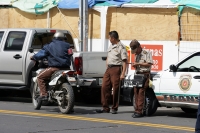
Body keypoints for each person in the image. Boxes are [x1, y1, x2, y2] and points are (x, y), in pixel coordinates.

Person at [31, 31, 72, 100]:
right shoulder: (68, 46)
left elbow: (40, 54)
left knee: (39, 77)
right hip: (67, 68)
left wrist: (33, 57)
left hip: (54, 68)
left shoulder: (49, 46)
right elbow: (70, 54)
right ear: (63, 38)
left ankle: (44, 94)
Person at [96, 31, 127, 114]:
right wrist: (107, 64)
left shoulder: (121, 47)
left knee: (115, 88)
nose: (109, 39)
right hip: (109, 69)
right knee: (104, 87)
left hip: (116, 68)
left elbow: (124, 61)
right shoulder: (111, 45)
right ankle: (105, 107)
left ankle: (114, 107)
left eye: (110, 38)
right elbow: (108, 56)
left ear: (113, 38)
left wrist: (123, 73)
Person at [130, 39, 153, 118]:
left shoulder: (146, 53)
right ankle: (136, 110)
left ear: (139, 47)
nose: (135, 52)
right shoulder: (136, 54)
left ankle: (140, 111)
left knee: (141, 92)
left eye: (136, 50)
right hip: (137, 75)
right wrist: (135, 65)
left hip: (144, 74)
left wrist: (138, 63)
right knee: (135, 92)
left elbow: (149, 64)